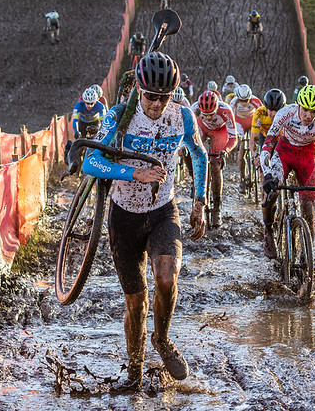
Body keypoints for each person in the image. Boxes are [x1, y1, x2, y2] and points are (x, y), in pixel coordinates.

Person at [83, 52, 207, 389]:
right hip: (123, 216)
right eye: (150, 96)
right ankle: (135, 372)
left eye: (163, 97)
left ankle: (163, 339)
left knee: (167, 276)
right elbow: (91, 162)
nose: (155, 104)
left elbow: (199, 155)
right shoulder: (120, 116)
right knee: (136, 302)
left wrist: (199, 200)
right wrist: (132, 172)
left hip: (163, 211)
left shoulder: (182, 117)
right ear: (139, 89)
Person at [260, 84, 315, 257]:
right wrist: (268, 174)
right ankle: (269, 229)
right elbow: (268, 144)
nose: (309, 116)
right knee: (273, 190)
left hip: (307, 157)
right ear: (298, 105)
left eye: (314, 111)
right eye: (305, 110)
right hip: (284, 152)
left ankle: (306, 258)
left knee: (308, 210)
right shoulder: (285, 113)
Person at [191, 90, 237, 228]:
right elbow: (188, 133)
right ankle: (194, 178)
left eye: (212, 114)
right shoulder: (194, 110)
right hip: (202, 129)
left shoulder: (226, 110)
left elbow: (233, 138)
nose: (209, 117)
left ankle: (217, 207)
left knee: (216, 166)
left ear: (217, 108)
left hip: (220, 132)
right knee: (191, 150)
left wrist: (226, 150)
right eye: (206, 114)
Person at [230, 84, 262, 193]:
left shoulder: (255, 101)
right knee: (242, 148)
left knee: (256, 143)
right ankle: (242, 178)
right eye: (242, 100)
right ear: (238, 98)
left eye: (246, 100)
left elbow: (263, 114)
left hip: (252, 120)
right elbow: (231, 118)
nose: (244, 103)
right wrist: (236, 134)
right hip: (239, 122)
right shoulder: (233, 102)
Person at [250, 89, 287, 180]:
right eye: (270, 110)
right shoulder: (259, 113)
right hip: (265, 137)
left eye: (277, 110)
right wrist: (256, 155)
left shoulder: (287, 111)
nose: (273, 114)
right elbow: (253, 140)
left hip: (281, 138)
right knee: (264, 171)